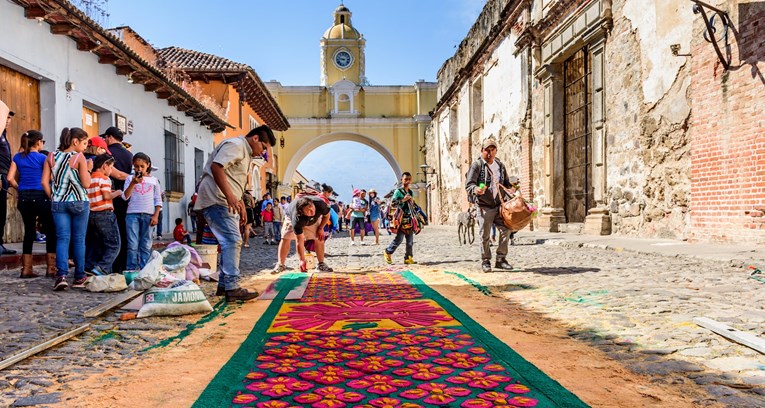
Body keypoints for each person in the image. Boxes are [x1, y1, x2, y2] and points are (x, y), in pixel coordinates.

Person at [195, 125, 275, 301]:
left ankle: (224, 285)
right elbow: (217, 167)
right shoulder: (237, 145)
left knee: (228, 241)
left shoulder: (243, 151)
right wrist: (230, 196)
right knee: (232, 240)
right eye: (263, 147)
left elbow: (231, 178)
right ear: (255, 138)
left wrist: (238, 202)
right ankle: (231, 287)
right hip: (217, 199)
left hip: (223, 199)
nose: (263, 153)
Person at [42, 127, 91, 291]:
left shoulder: (50, 156)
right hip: (79, 201)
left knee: (62, 239)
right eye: (84, 143)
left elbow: (44, 182)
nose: (85, 147)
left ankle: (61, 276)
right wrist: (89, 169)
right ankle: (79, 277)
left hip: (59, 202)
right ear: (75, 142)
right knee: (79, 240)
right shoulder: (79, 157)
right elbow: (86, 184)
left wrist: (53, 197)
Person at [8, 130, 56, 277]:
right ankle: (51, 269)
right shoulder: (43, 158)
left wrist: (20, 188)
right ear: (38, 142)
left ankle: (26, 269)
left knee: (29, 231)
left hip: (24, 198)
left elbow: (10, 178)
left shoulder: (17, 157)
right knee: (50, 231)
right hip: (41, 196)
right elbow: (51, 177)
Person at [465, 138, 515, 273]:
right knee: (485, 235)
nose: (490, 152)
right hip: (483, 206)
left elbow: (505, 183)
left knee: (506, 229)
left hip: (499, 205)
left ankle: (501, 259)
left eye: (492, 150)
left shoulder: (500, 165)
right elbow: (469, 184)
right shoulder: (477, 165)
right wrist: (476, 189)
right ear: (482, 151)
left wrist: (510, 189)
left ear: (496, 151)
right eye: (487, 150)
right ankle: (486, 260)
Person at [272, 195, 333, 274]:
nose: (312, 211)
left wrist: (321, 228)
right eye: (308, 210)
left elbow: (327, 215)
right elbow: (299, 240)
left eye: (312, 207)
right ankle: (281, 265)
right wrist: (302, 260)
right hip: (291, 218)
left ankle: (321, 264)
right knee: (286, 237)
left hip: (314, 220)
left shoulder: (319, 203)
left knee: (319, 237)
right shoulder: (297, 219)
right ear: (301, 211)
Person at [122, 153, 162, 271]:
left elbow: (158, 200)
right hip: (132, 215)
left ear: (148, 165)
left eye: (142, 166)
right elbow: (125, 197)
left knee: (146, 245)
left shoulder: (154, 181)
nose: (139, 169)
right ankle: (131, 270)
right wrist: (133, 183)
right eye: (136, 166)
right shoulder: (130, 179)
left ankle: (145, 270)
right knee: (132, 245)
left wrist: (156, 215)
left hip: (148, 215)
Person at [85, 154, 122, 275]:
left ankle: (89, 266)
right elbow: (106, 196)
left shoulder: (90, 177)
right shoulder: (105, 179)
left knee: (97, 244)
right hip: (105, 214)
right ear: (105, 166)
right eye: (111, 167)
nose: (111, 171)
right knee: (114, 244)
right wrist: (117, 193)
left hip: (92, 214)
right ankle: (102, 267)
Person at [102, 126, 131, 273]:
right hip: (126, 197)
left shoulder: (108, 153)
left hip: (109, 197)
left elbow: (117, 175)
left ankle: (109, 265)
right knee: (124, 231)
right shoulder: (129, 155)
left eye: (105, 138)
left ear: (109, 137)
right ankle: (123, 265)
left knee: (109, 233)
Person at [383, 172, 417, 265]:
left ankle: (408, 258)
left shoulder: (410, 192)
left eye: (409, 179)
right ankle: (388, 252)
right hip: (400, 219)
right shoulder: (398, 191)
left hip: (409, 218)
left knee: (410, 241)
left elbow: (412, 204)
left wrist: (411, 201)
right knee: (399, 239)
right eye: (406, 179)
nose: (408, 181)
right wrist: (403, 200)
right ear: (401, 180)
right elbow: (393, 203)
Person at [0, 105, 17, 255]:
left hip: (4, 176)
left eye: (9, 117)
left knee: (2, 212)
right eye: (6, 117)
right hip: (0, 175)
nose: (8, 120)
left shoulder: (3, 135)